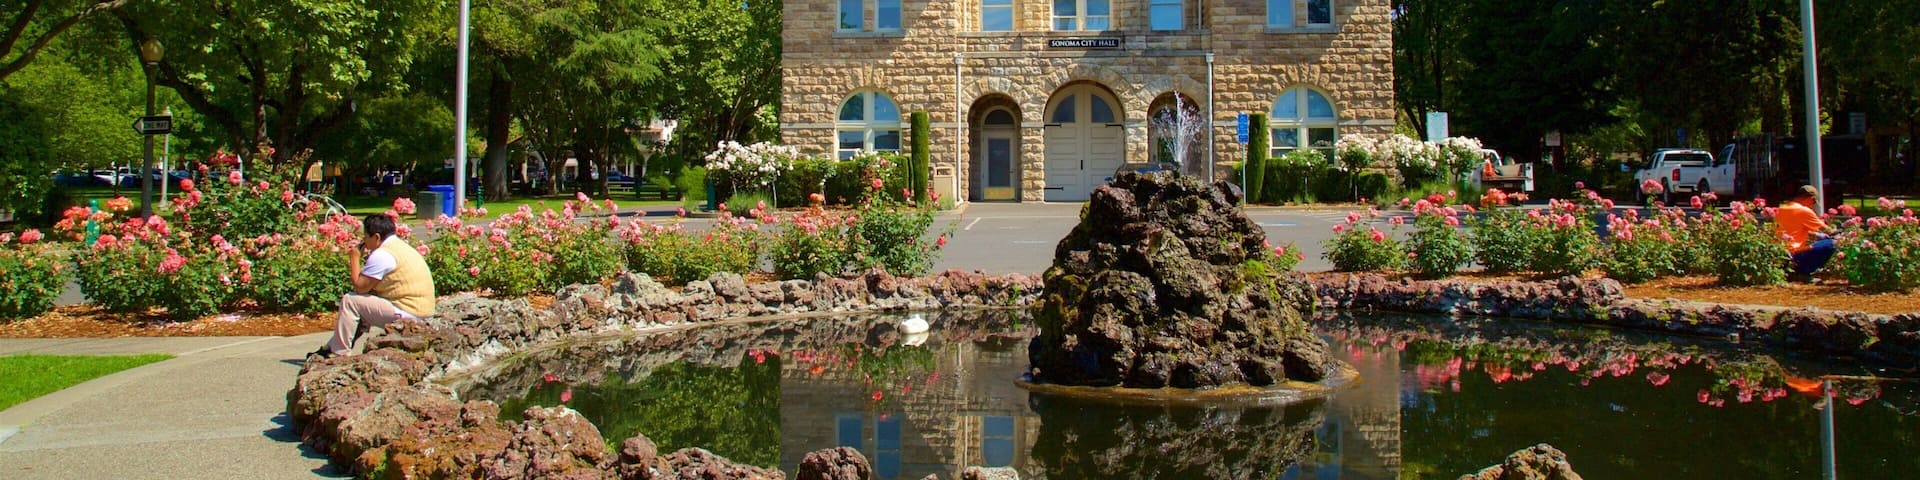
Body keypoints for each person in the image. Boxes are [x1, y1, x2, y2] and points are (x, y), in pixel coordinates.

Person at [312, 214, 435, 358]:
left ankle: (339, 353)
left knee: (350, 301)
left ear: (376, 237)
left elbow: (360, 287)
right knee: (362, 303)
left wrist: (354, 258)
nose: (364, 242)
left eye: (365, 237)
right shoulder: (400, 247)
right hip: (423, 312)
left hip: (409, 313)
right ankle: (330, 348)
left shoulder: (382, 254)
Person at [1774, 185, 1834, 283]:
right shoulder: (1803, 210)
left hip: (1780, 253)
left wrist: (1816, 235)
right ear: (1811, 198)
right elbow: (1826, 230)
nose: (1812, 205)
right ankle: (1802, 273)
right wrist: (1841, 234)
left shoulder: (1782, 208)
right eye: (1813, 202)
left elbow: (1792, 229)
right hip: (1795, 255)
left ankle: (1790, 273)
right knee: (1831, 244)